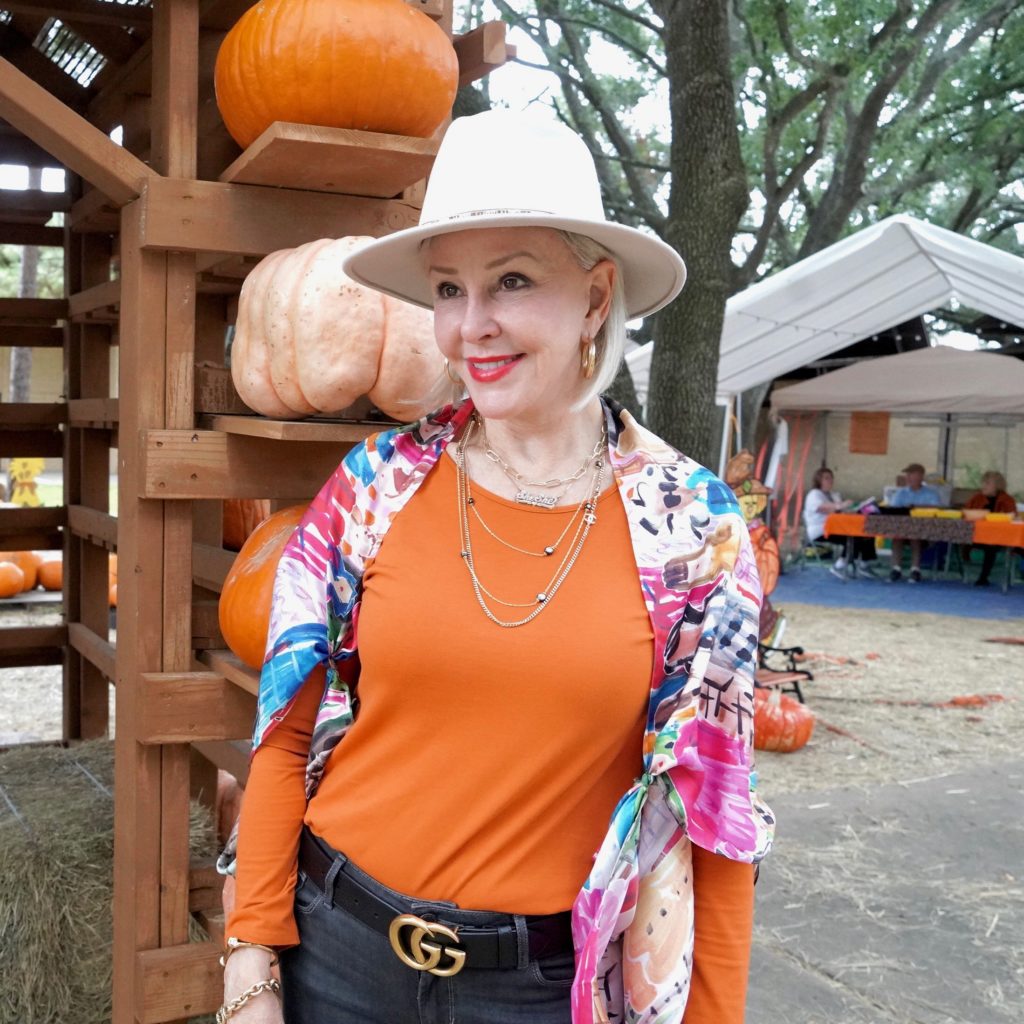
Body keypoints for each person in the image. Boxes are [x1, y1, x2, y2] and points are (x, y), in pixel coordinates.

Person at [218, 111, 773, 1024]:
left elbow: (715, 816)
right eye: (447, 289)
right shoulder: (373, 486)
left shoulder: (694, 531)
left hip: (544, 991)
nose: (469, 329)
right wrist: (251, 969)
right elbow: (284, 730)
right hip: (336, 959)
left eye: (510, 281)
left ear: (597, 295)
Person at [803, 466, 877, 579]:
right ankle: (839, 565)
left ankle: (864, 564)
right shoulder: (814, 494)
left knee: (866, 532)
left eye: (831, 478)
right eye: (826, 478)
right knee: (853, 537)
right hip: (821, 530)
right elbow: (822, 508)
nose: (830, 481)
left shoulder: (834, 495)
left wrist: (855, 508)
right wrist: (840, 505)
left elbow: (842, 511)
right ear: (819, 480)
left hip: (838, 527)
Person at [887, 462, 942, 582]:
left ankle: (915, 570)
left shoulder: (931, 494)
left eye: (912, 474)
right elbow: (893, 510)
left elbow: (937, 511)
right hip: (902, 529)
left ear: (921, 476)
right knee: (898, 533)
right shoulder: (900, 493)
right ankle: (896, 569)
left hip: (926, 532)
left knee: (914, 532)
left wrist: (917, 507)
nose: (908, 477)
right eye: (907, 474)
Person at [962, 470, 1016, 587]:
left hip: (1000, 537)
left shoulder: (1007, 500)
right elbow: (965, 512)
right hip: (976, 535)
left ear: (997, 485)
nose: (983, 486)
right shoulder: (976, 498)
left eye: (987, 483)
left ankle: (983, 577)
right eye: (983, 483)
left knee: (991, 544)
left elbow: (1011, 517)